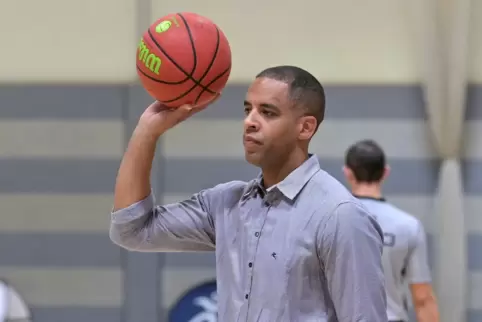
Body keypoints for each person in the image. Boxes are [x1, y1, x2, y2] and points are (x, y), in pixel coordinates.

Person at [110, 65, 388, 321]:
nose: (249, 122)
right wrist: (147, 131)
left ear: (305, 127)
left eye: (267, 112)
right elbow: (131, 229)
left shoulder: (340, 216)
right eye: (247, 110)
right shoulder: (225, 204)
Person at [343, 139, 440, 322]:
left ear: (348, 173)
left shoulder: (330, 221)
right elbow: (423, 299)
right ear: (385, 172)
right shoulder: (408, 225)